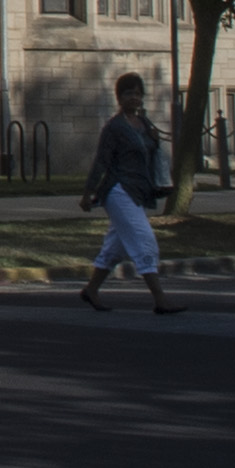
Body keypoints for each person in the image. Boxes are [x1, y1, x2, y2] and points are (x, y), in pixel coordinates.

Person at [77, 73, 183, 316]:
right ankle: (160, 299)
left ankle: (91, 290)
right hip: (118, 191)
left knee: (115, 247)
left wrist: (155, 142)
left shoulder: (145, 124)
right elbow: (101, 161)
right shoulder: (114, 127)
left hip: (138, 191)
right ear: (119, 97)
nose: (134, 98)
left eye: (137, 93)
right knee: (144, 241)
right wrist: (88, 193)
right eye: (128, 93)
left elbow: (150, 155)